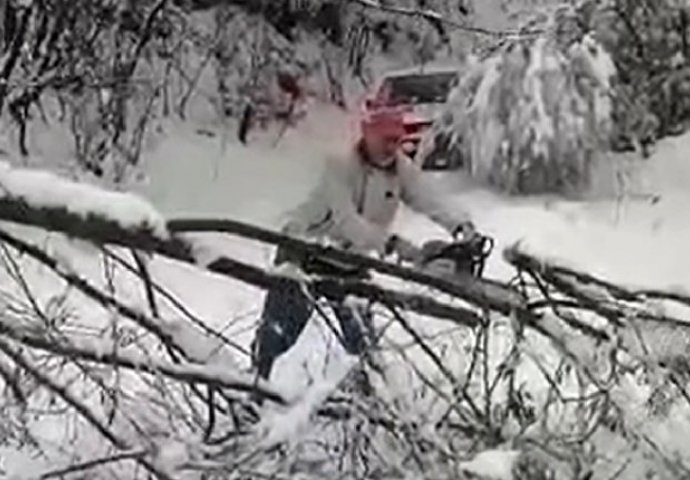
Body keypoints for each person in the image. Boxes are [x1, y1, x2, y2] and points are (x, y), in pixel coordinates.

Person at [251, 108, 476, 382]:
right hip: (303, 253)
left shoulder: (400, 169)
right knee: (278, 334)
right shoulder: (339, 165)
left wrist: (461, 226)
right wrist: (394, 246)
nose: (391, 147)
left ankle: (369, 395)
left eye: (396, 139)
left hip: (351, 262)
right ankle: (254, 386)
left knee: (363, 343)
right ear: (367, 134)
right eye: (385, 139)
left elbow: (428, 198)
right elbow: (348, 221)